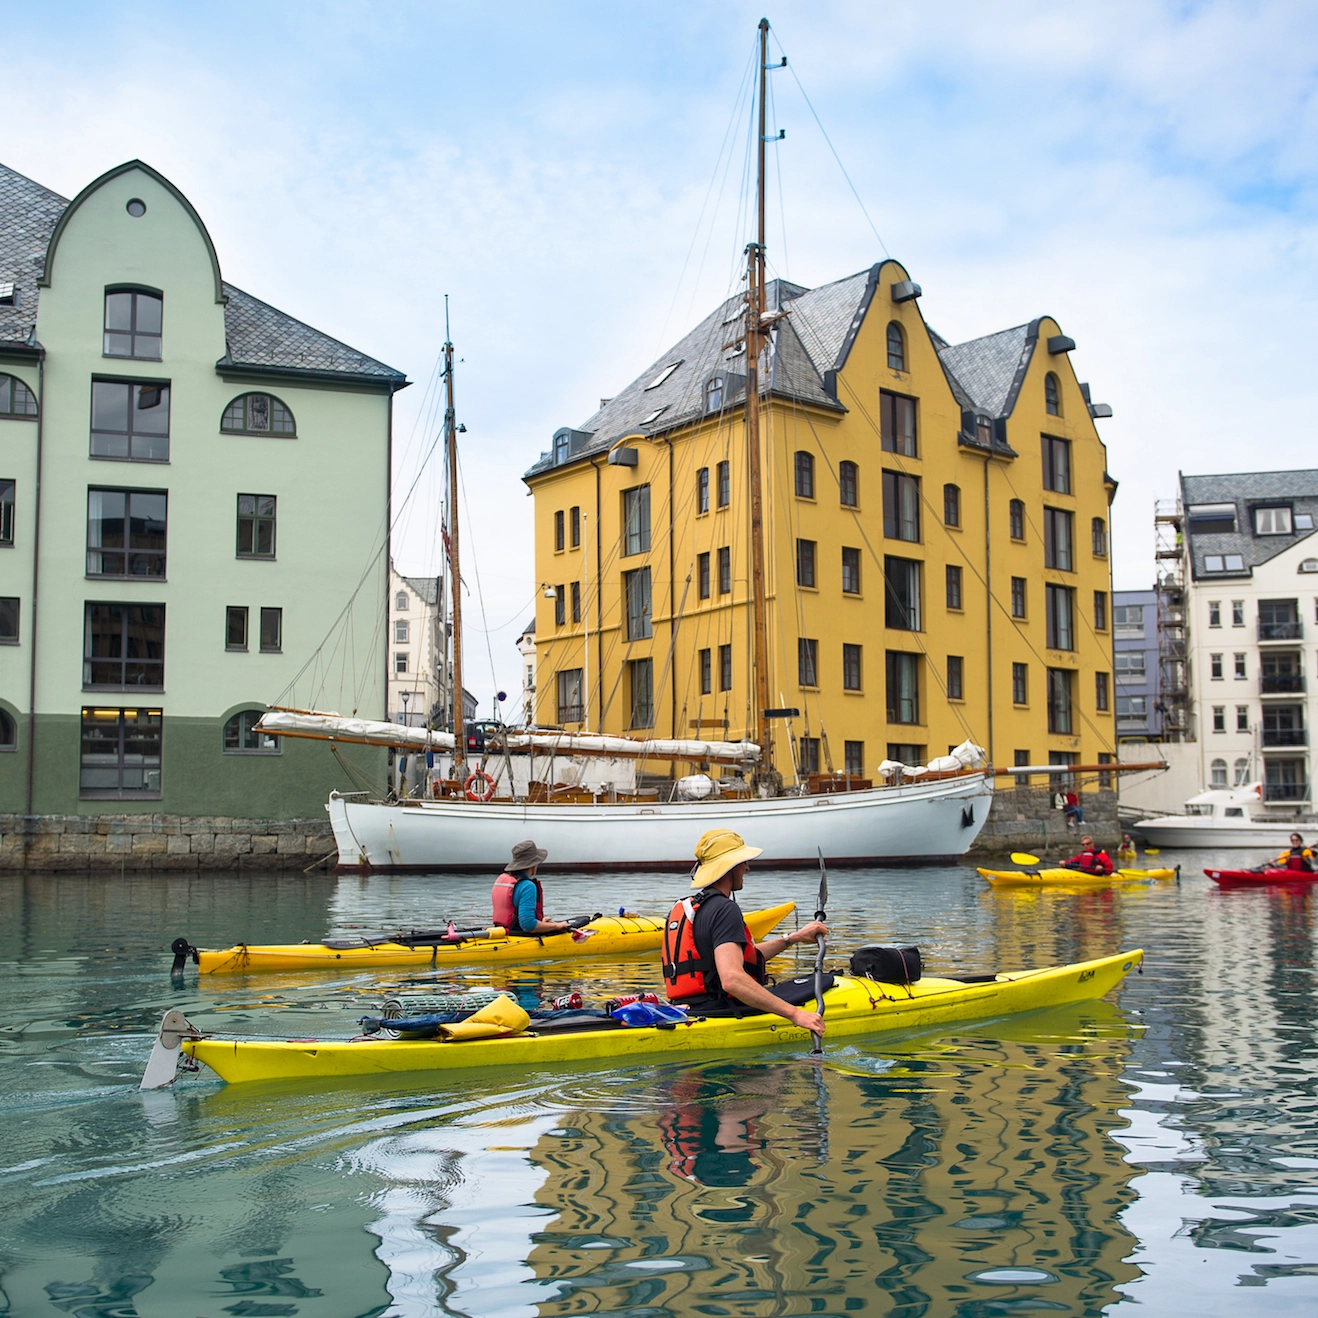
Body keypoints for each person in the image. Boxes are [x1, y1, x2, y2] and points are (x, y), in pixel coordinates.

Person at [661, 828, 829, 1036]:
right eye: (742, 862)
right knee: (819, 983)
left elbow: (735, 957)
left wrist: (793, 938)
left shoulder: (693, 908)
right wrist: (796, 1014)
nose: (747, 868)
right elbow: (732, 979)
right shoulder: (725, 909)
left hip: (688, 1008)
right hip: (720, 1012)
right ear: (729, 867)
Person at [491, 840, 572, 936]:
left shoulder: (505, 881)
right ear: (533, 865)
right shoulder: (528, 886)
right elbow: (528, 925)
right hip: (519, 936)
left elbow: (517, 917)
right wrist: (556, 926)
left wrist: (541, 923)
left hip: (502, 933)